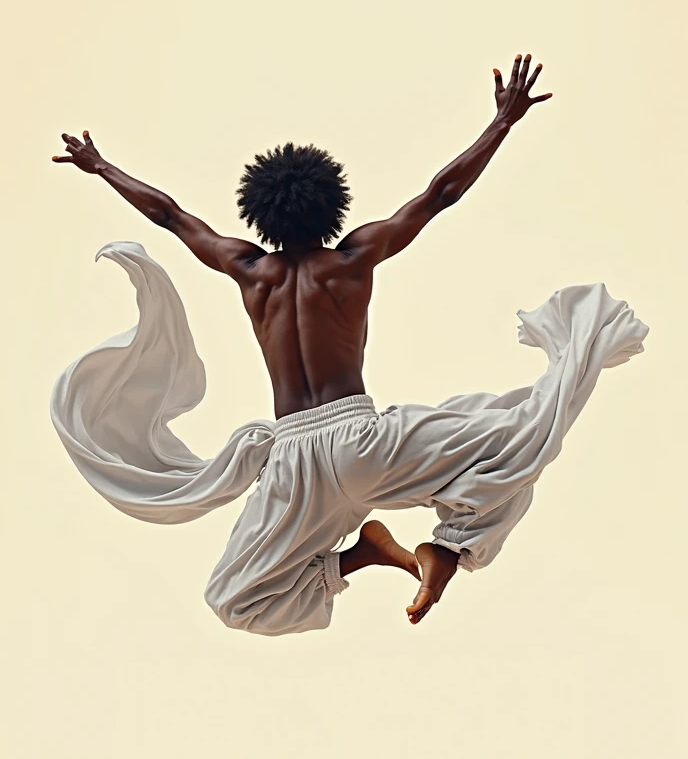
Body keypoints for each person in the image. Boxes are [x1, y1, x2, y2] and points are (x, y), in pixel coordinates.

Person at [50, 55, 648, 634]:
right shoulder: (353, 260)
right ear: (330, 205)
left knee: (234, 600)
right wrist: (500, 123)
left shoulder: (250, 271)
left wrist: (101, 166)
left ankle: (371, 556)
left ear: (260, 214)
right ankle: (438, 549)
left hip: (291, 466)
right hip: (362, 444)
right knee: (522, 438)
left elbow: (172, 216)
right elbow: (440, 194)